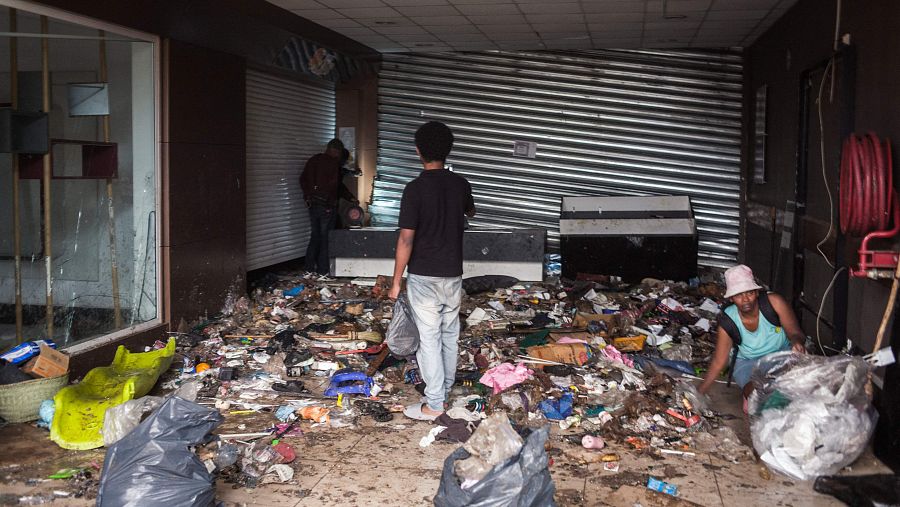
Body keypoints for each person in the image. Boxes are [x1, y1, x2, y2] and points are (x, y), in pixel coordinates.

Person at [388, 121, 476, 421]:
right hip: (452, 274)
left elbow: (406, 239)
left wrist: (396, 282)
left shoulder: (414, 190)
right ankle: (445, 389)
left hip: (424, 275)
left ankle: (435, 404)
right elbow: (471, 211)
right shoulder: (461, 184)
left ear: (418, 151)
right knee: (449, 335)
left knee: (429, 339)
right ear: (448, 150)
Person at [699, 264, 806, 405]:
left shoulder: (774, 302)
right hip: (748, 362)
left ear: (756, 292)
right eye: (738, 295)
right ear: (731, 298)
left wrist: (797, 342)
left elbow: (795, 332)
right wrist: (699, 392)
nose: (745, 299)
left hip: (780, 355)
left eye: (749, 293)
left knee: (796, 386)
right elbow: (719, 361)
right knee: (756, 392)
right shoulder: (728, 321)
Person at [300, 139, 350, 275]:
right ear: (336, 151)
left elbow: (302, 179)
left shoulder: (313, 160)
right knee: (325, 239)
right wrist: (331, 203)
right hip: (327, 207)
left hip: (313, 205)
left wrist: (307, 196)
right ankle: (323, 270)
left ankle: (309, 268)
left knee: (315, 236)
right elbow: (334, 186)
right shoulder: (332, 164)